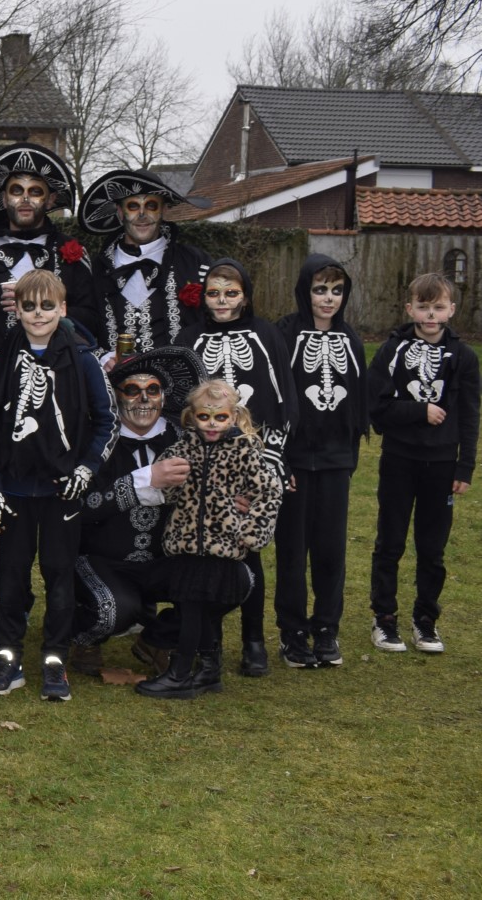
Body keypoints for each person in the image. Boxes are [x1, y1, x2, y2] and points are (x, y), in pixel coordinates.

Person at [0, 268, 116, 702]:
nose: (38, 314)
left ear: (63, 308)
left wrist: (86, 469)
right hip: (15, 490)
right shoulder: (1, 361)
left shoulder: (84, 360)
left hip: (62, 492)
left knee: (59, 577)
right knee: (12, 578)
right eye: (29, 306)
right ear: (16, 310)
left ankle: (56, 660)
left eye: (47, 306)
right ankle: (8, 658)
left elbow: (107, 420)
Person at [177, 257, 295, 676]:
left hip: (251, 461)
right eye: (214, 293)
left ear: (245, 296)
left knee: (249, 553)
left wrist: (272, 463)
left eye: (231, 293)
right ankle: (206, 642)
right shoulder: (189, 337)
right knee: (204, 557)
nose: (222, 300)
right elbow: (180, 407)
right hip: (204, 462)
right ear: (203, 297)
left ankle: (253, 640)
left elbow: (284, 400)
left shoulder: (266, 334)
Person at [136, 381, 283, 699]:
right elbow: (165, 488)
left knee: (195, 606)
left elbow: (269, 492)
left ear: (234, 416)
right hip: (186, 546)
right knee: (193, 606)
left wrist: (250, 533)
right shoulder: (182, 448)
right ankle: (208, 670)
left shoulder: (244, 452)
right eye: (204, 417)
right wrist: (169, 484)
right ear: (192, 416)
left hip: (222, 549)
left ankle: (180, 673)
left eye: (220, 417)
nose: (212, 424)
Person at [68, 347, 205, 677]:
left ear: (163, 395)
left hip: (166, 561)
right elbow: (77, 507)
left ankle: (158, 638)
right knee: (114, 611)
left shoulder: (186, 439)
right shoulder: (94, 440)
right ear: (115, 396)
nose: (144, 399)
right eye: (132, 389)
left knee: (231, 580)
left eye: (153, 390)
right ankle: (82, 636)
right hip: (102, 560)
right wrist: (141, 482)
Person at [366, 272, 479, 655]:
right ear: (410, 308)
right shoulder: (391, 351)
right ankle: (384, 617)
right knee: (390, 541)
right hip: (399, 459)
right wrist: (419, 411)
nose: (431, 315)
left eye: (438, 307)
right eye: (424, 306)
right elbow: (376, 407)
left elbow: (469, 414)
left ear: (451, 310)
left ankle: (425, 619)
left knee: (432, 548)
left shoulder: (464, 357)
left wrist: (465, 467)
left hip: (442, 464)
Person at [273, 255, 366, 668]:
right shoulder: (284, 334)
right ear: (304, 290)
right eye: (320, 289)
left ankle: (327, 628)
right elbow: (276, 397)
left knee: (330, 550)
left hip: (334, 460)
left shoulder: (352, 339)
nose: (328, 298)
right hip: (294, 460)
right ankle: (292, 632)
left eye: (337, 290)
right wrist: (281, 460)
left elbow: (358, 403)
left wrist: (348, 458)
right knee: (292, 550)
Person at [0, 143, 101, 351]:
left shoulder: (72, 250)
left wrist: (42, 302)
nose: (25, 199)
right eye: (16, 191)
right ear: (4, 199)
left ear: (50, 200)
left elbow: (91, 318)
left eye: (35, 191)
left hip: (58, 362)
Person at [77, 168, 211, 356]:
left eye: (151, 206)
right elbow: (79, 324)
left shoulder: (195, 262)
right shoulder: (95, 269)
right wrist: (101, 356)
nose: (142, 214)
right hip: (115, 374)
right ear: (120, 212)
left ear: (164, 210)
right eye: (133, 206)